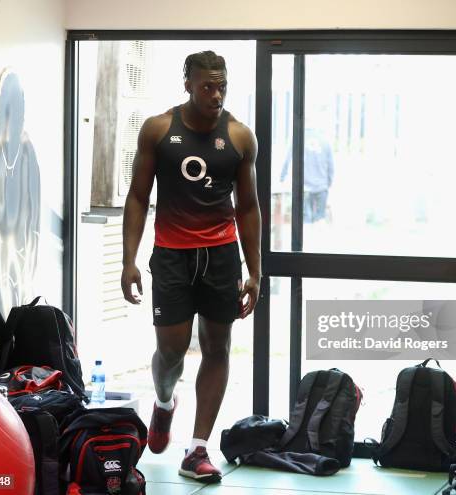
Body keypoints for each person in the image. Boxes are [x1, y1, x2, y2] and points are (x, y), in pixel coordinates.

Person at [120, 51, 261, 484]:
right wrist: (129, 260)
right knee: (172, 352)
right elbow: (139, 196)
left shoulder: (240, 137)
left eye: (221, 86)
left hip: (220, 254)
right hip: (172, 254)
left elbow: (249, 207)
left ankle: (198, 448)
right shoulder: (159, 130)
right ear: (188, 84)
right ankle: (164, 402)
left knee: (218, 347)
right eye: (207, 86)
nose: (215, 95)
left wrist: (255, 271)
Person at [280, 126, 334, 223]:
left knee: (305, 219)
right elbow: (331, 165)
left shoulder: (298, 138)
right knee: (320, 219)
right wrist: (328, 183)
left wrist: (282, 178)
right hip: (321, 186)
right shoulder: (325, 141)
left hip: (303, 187)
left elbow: (287, 160)